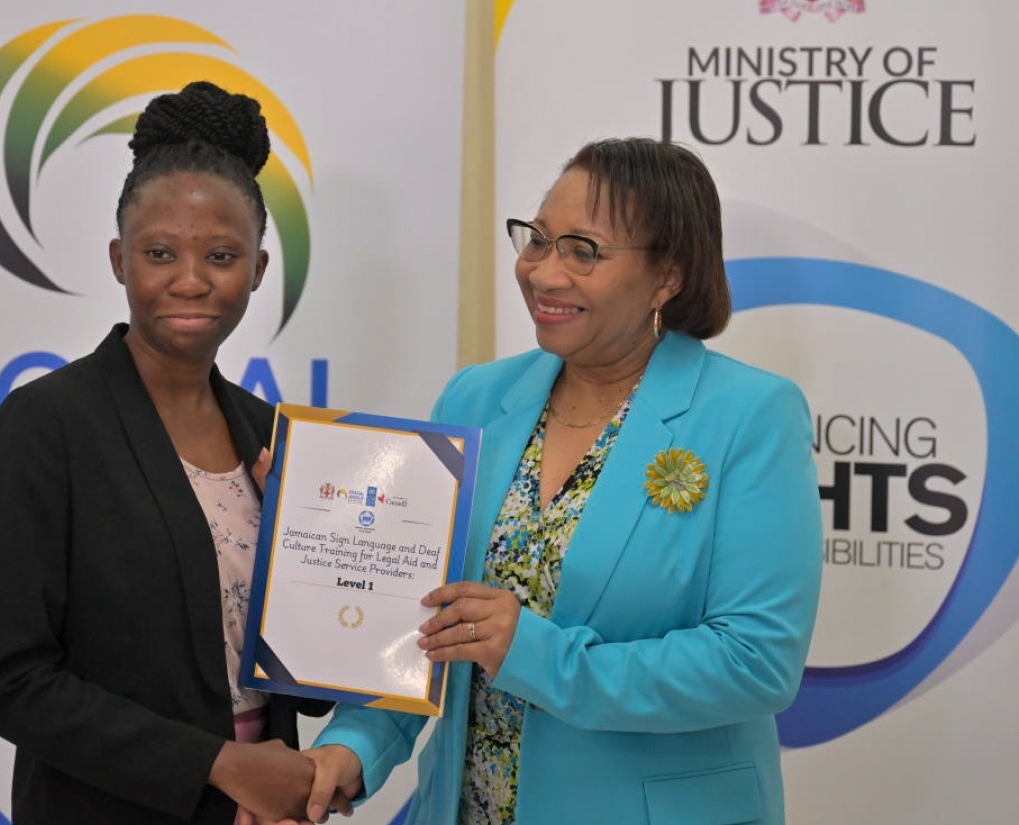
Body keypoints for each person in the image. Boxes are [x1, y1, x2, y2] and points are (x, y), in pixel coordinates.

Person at [283, 138, 823, 825]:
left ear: (667, 278)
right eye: (537, 240)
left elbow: (755, 660)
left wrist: (536, 653)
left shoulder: (749, 415)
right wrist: (348, 749)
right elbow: (420, 622)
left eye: (582, 251)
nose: (542, 272)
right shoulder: (476, 399)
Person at [0, 81, 336, 824]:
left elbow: (305, 684)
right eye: (160, 252)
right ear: (119, 259)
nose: (192, 280)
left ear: (260, 269)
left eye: (223, 254)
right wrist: (222, 766)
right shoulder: (47, 425)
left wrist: (320, 567)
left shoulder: (273, 435)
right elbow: (14, 682)